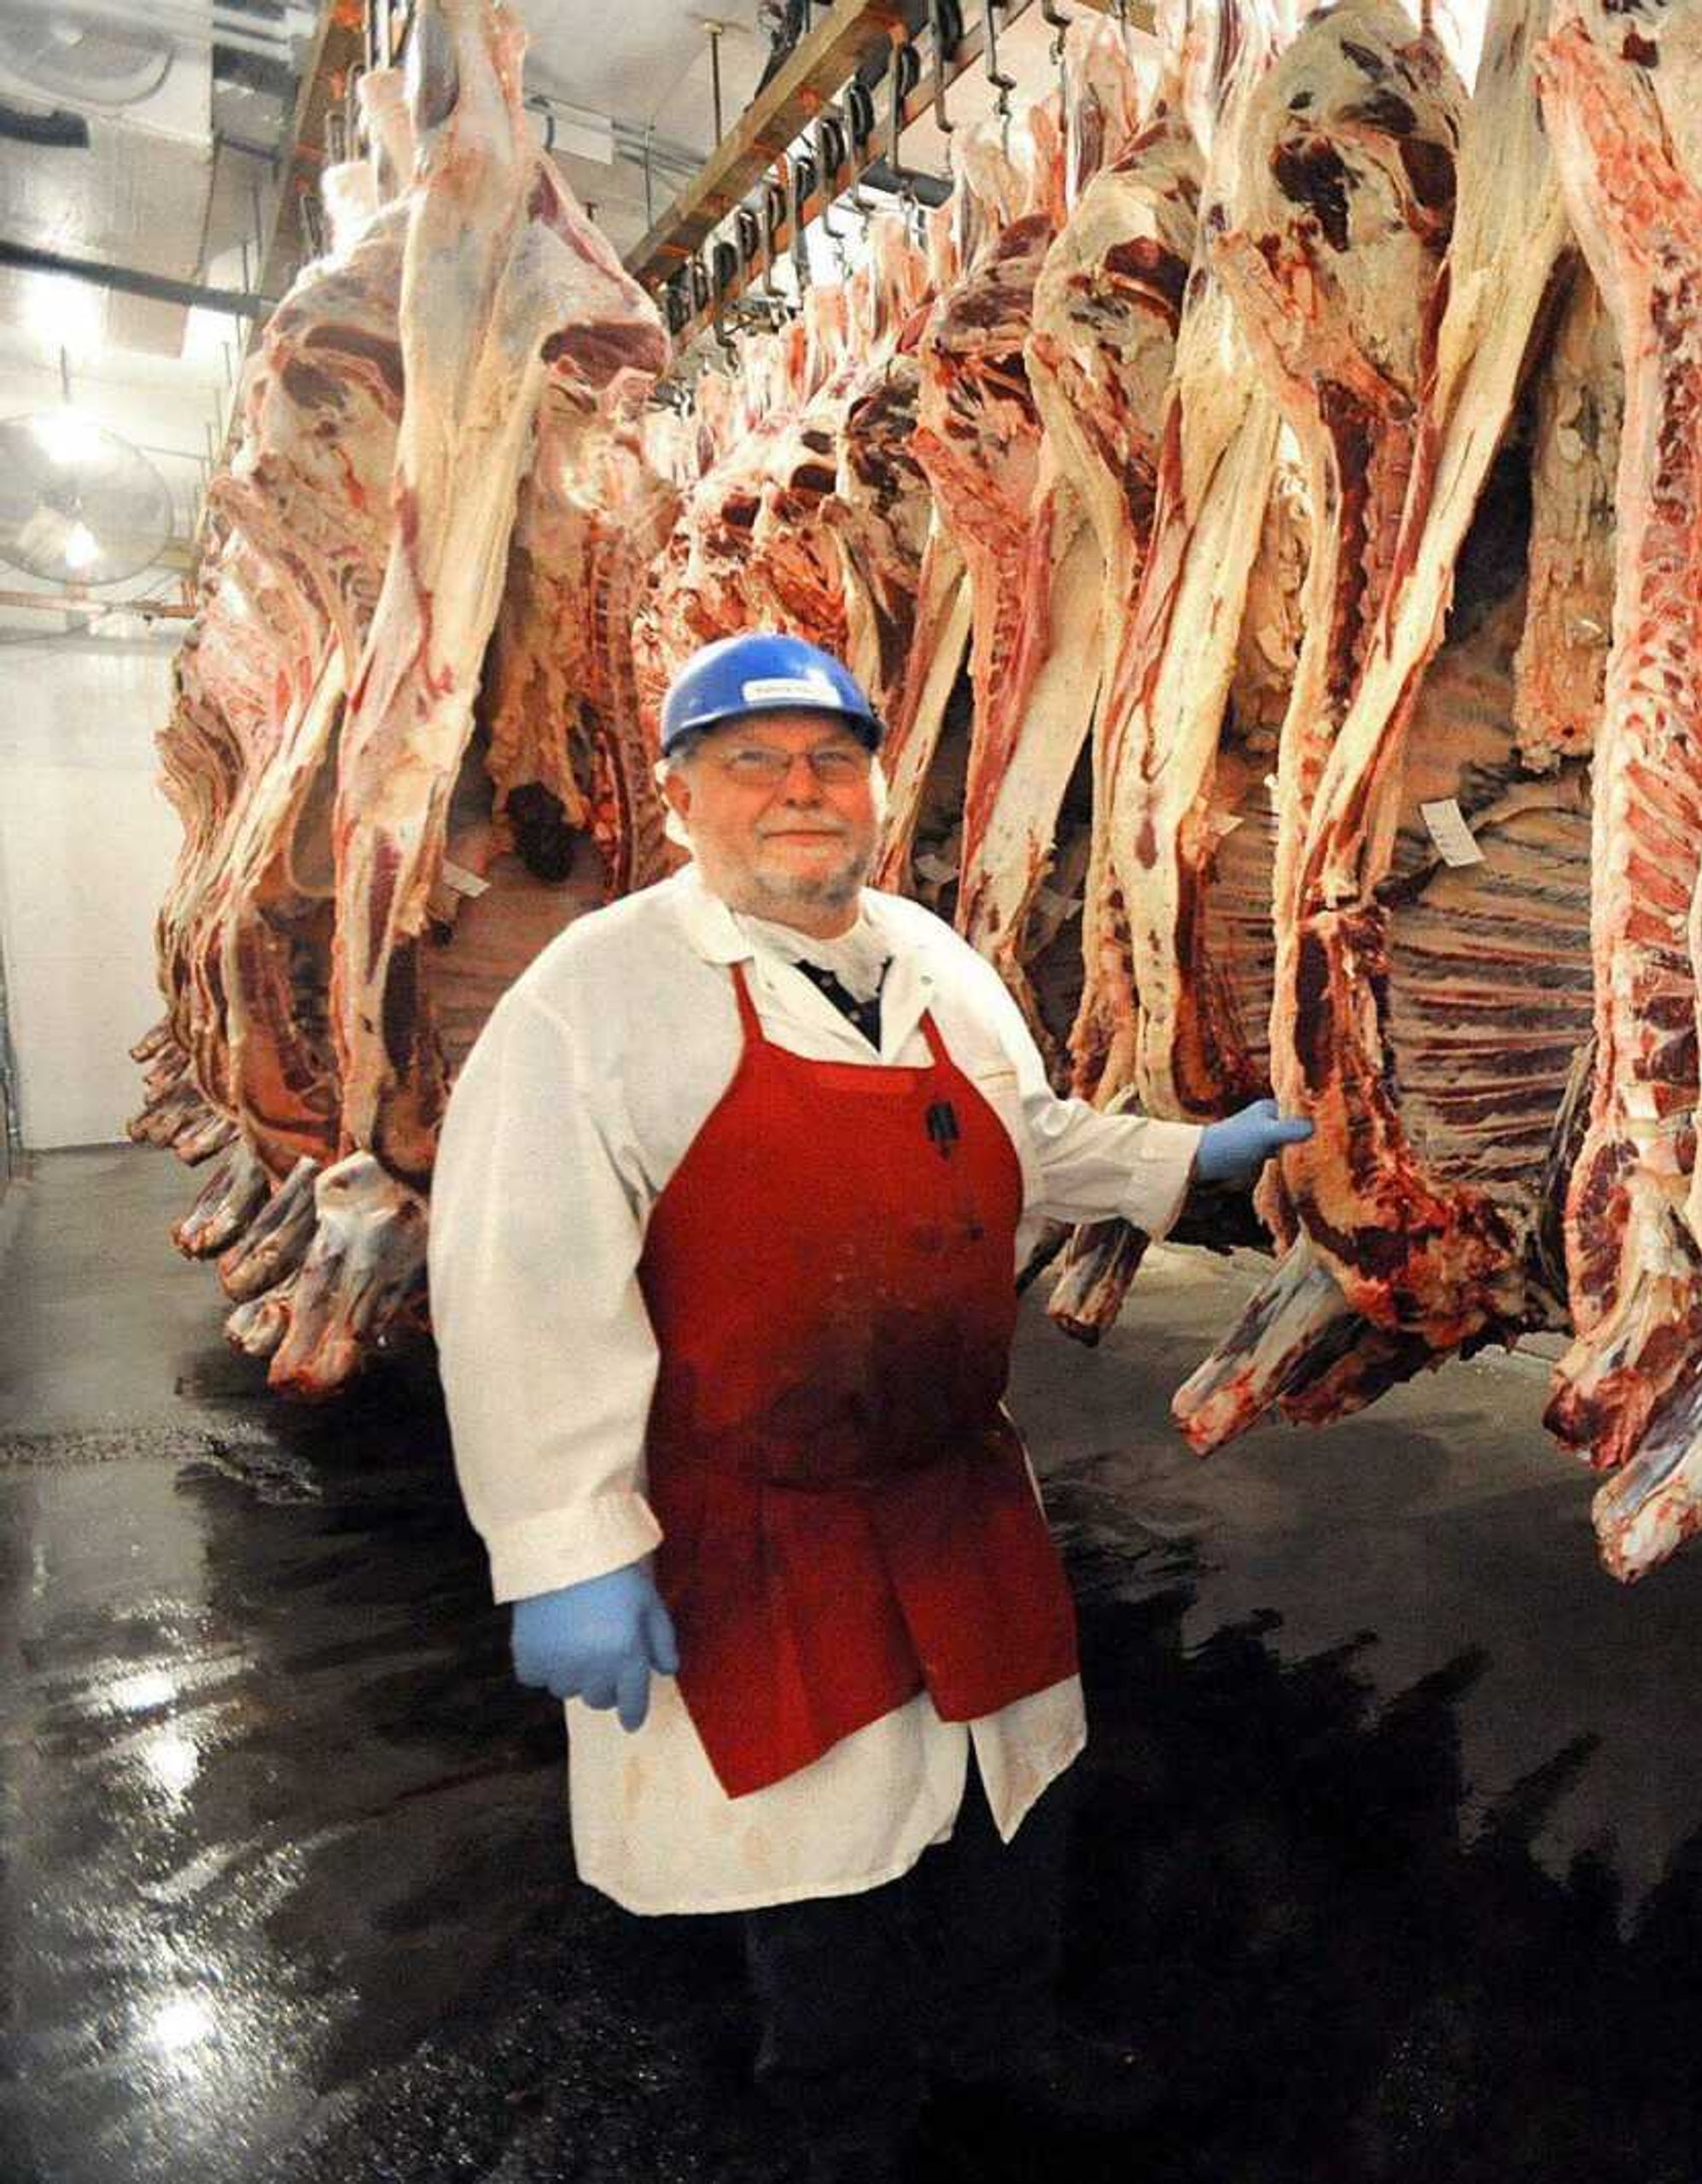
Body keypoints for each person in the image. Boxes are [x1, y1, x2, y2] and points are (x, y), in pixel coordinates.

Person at [430, 631, 1309, 2182]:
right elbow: (519, 1274)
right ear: (684, 792)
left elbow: (1017, 1135)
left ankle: (1007, 2041)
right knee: (816, 1846)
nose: (799, 791)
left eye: (831, 759)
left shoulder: (929, 954)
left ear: (876, 787)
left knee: (1011, 1800)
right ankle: (839, 2114)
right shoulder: (600, 994)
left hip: (957, 1482)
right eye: (754, 761)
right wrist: (567, 1543)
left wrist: (1182, 1157)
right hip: (756, 1507)